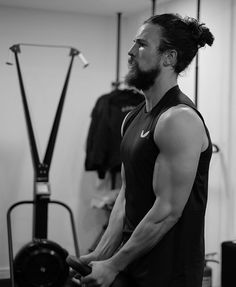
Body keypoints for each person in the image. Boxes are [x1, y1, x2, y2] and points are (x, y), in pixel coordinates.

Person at [76, 13, 215, 287]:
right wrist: (101, 255)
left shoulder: (178, 119)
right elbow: (127, 195)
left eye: (141, 44)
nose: (130, 52)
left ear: (169, 58)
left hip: (169, 273)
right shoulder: (133, 117)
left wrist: (113, 264)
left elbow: (166, 212)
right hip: (132, 264)